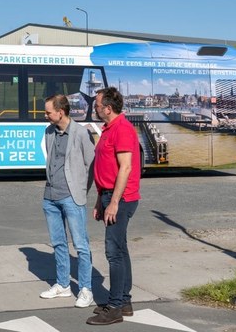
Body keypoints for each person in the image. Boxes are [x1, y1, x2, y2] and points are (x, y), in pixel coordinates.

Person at [86, 87, 141, 326]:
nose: (94, 108)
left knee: (114, 252)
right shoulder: (109, 129)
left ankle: (115, 306)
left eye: (96, 105)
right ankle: (124, 301)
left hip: (122, 198)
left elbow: (125, 168)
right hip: (109, 195)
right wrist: (101, 199)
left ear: (108, 108)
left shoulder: (123, 129)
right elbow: (105, 167)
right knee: (120, 248)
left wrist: (114, 202)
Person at [40, 94, 95, 308]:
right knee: (58, 243)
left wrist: (81, 190)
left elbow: (91, 165)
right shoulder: (49, 132)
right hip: (50, 197)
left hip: (72, 196)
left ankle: (86, 289)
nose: (45, 116)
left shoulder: (81, 133)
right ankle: (62, 285)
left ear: (60, 112)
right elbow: (51, 160)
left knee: (81, 245)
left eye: (48, 112)